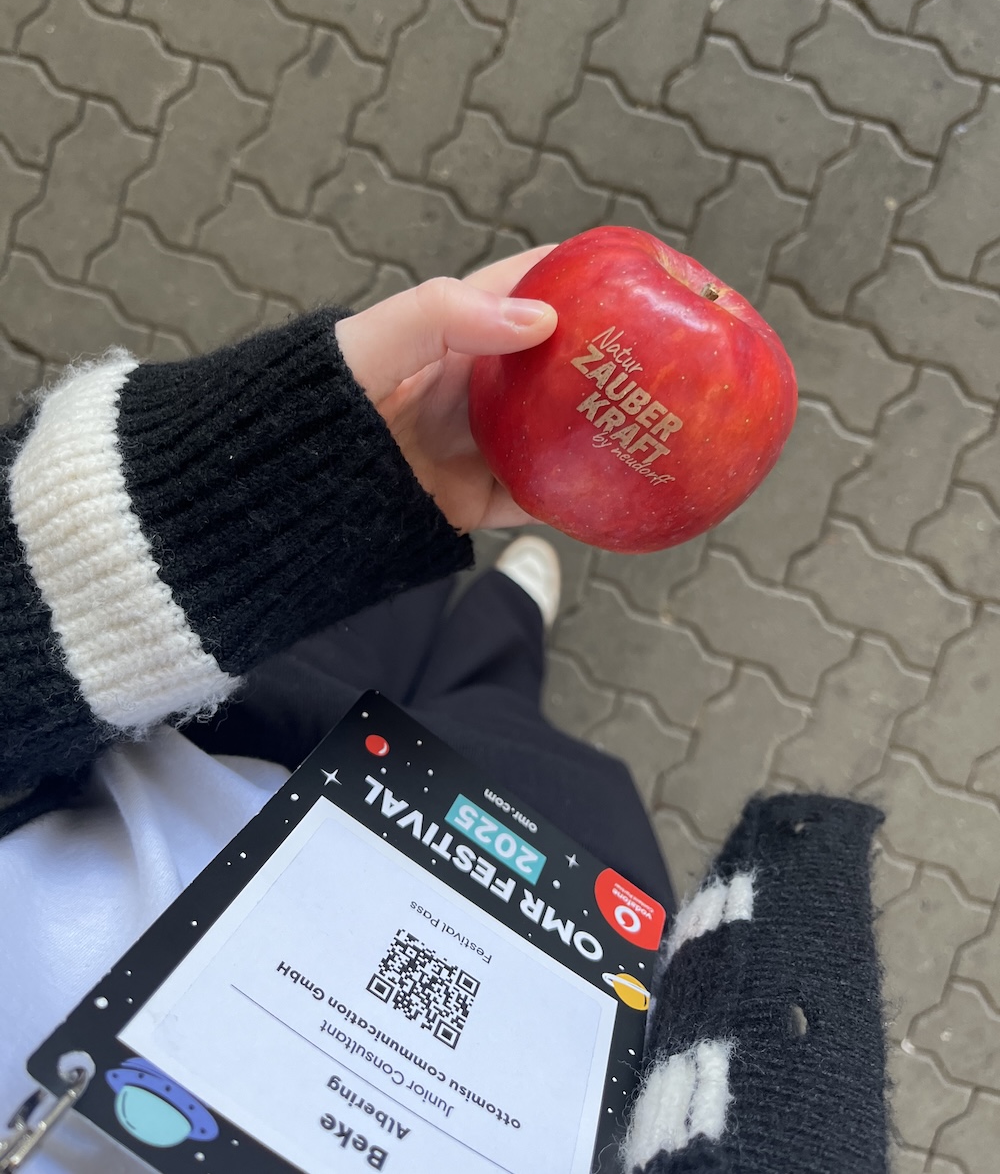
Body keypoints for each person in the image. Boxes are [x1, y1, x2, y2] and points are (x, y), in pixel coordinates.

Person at [0, 248, 888, 1173]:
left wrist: (228, 505)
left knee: (377, 569)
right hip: (547, 938)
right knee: (507, 718)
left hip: (200, 735)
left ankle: (478, 594)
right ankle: (509, 628)